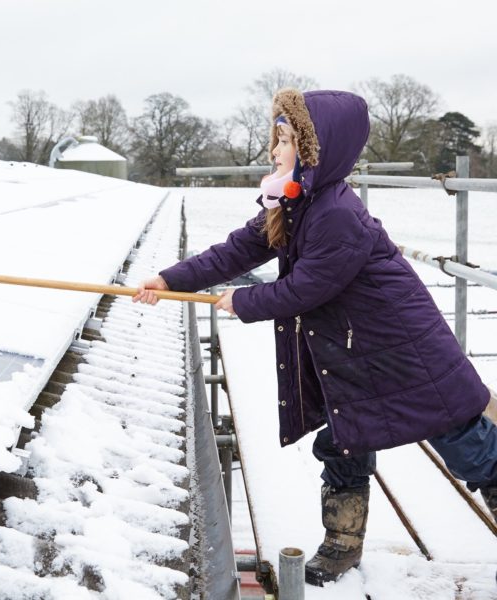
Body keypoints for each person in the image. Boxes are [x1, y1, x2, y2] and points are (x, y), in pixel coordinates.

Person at [134, 88, 497, 586]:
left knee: (462, 441)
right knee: (342, 439)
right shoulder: (296, 200)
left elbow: (309, 287)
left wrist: (244, 303)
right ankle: (343, 542)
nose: (276, 150)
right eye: (277, 138)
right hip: (352, 349)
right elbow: (240, 249)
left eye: (287, 140)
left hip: (404, 347)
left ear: (316, 149)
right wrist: (172, 280)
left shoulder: (336, 214)